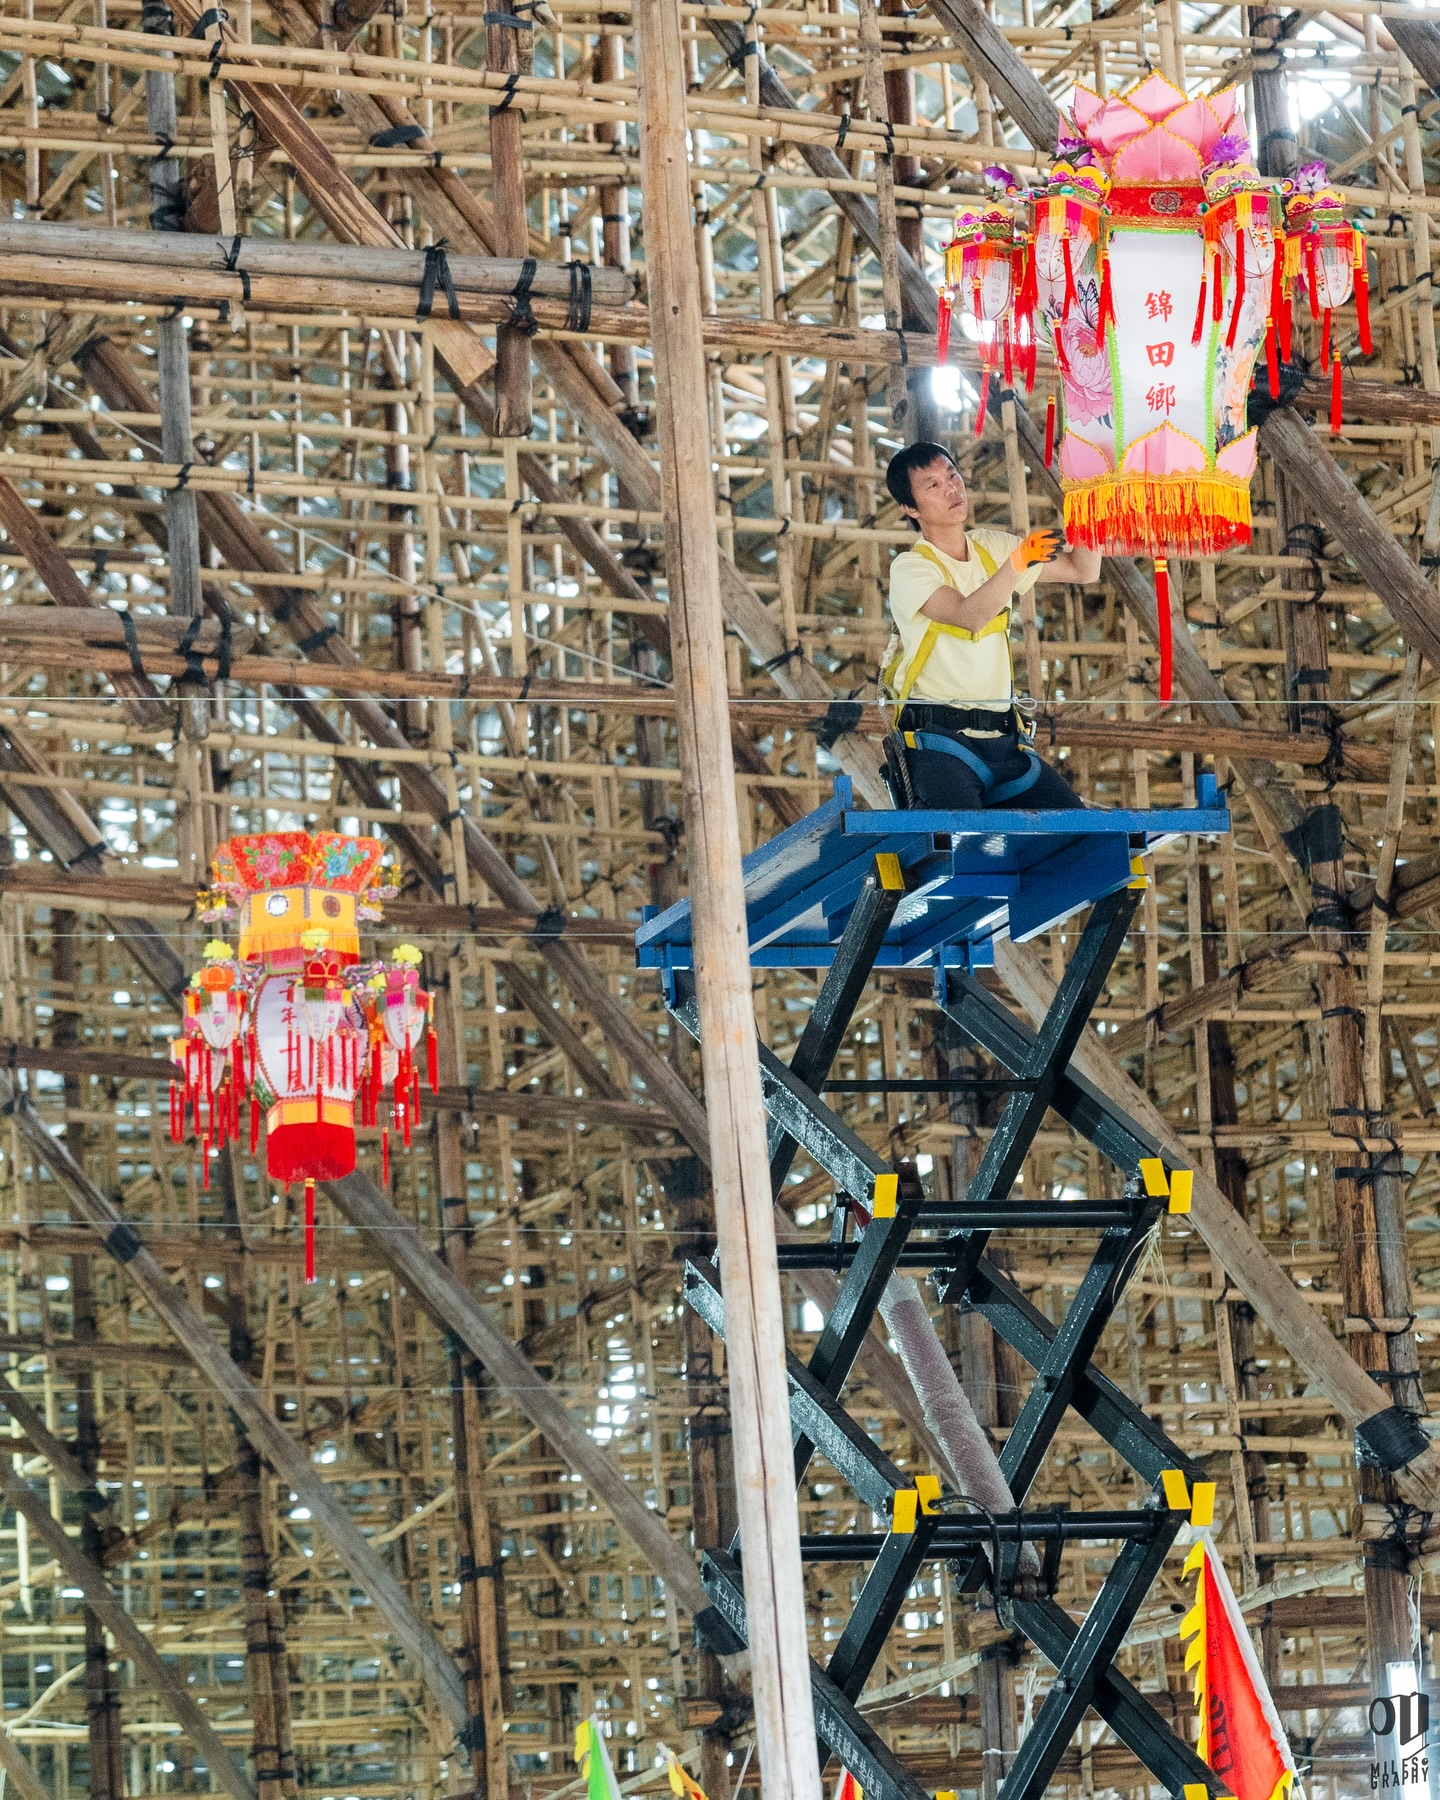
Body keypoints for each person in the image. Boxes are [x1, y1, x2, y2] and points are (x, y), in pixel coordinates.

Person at [881, 440, 1102, 811]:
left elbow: (1083, 570)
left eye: (952, 475)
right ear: (910, 508)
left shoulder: (992, 547)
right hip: (938, 742)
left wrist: (1088, 500)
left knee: (1075, 831)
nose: (951, 488)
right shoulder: (911, 568)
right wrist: (1016, 564)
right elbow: (970, 616)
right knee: (967, 842)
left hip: (1004, 740)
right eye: (932, 485)